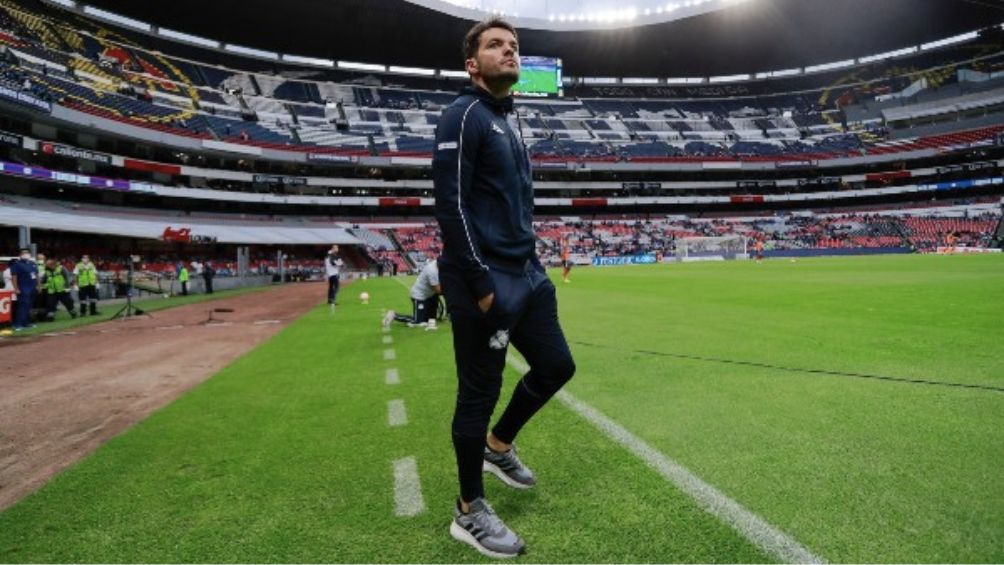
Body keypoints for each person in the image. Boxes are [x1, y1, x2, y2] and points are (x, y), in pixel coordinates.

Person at [433, 17, 575, 558]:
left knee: (557, 365)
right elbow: (452, 204)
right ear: (473, 64)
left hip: (528, 273)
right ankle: (469, 511)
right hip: (484, 280)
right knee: (478, 394)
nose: (509, 51)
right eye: (496, 45)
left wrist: (531, 263)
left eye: (514, 45)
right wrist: (479, 281)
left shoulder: (510, 119)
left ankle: (499, 444)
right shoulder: (463, 115)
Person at [382, 259, 441, 330]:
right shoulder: (432, 271)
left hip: (429, 295)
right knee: (418, 322)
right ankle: (394, 315)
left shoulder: (437, 263)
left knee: (428, 320)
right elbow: (437, 290)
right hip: (419, 296)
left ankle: (429, 317)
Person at [10, 249, 38, 331]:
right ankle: (17, 324)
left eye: (27, 253)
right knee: (22, 306)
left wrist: (38, 285)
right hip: (23, 288)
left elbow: (36, 275)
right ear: (20, 255)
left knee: (29, 306)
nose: (26, 254)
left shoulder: (32, 264)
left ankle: (26, 323)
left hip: (32, 287)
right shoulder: (17, 264)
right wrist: (16, 288)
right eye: (24, 253)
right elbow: (14, 277)